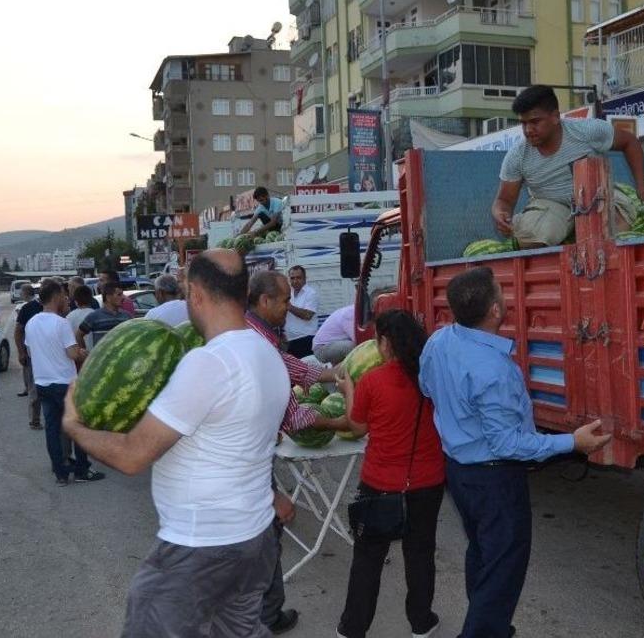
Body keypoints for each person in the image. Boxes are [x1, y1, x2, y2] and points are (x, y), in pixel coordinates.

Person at [62, 250, 290, 637]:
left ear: (195, 293)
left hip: (200, 548)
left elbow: (134, 456)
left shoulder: (208, 364)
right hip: (253, 539)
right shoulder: (266, 353)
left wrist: (73, 425)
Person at [418, 266, 612, 637]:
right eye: (501, 293)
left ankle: (489, 627)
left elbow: (426, 387)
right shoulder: (493, 370)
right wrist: (573, 442)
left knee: (484, 556)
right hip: (495, 480)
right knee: (502, 571)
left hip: (460, 473)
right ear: (494, 311)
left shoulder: (439, 342)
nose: (505, 299)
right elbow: (508, 443)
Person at [246, 270, 346, 635]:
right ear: (265, 301)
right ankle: (263, 618)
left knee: (263, 536)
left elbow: (292, 368)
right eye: (285, 300)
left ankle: (266, 613)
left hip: (253, 450)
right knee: (264, 535)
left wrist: (333, 375)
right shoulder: (256, 343)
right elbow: (294, 416)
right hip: (250, 457)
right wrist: (341, 422)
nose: (290, 306)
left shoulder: (258, 335)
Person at [335, 309, 444, 638]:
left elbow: (357, 427)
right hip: (428, 482)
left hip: (379, 485)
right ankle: (421, 623)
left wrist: (347, 389)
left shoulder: (372, 381)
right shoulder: (431, 377)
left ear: (385, 342)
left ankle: (352, 629)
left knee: (368, 558)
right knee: (421, 553)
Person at [490, 84, 644, 248]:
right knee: (533, 236)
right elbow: (504, 200)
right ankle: (564, 230)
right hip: (553, 205)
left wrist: (641, 185)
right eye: (523, 123)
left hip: (596, 195)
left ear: (556, 117)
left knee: (618, 229)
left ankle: (578, 234)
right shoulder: (517, 155)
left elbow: (629, 142)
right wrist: (500, 213)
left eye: (535, 122)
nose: (528, 130)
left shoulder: (587, 131)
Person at [23, 281, 104, 487]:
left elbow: (31, 352)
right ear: (56, 296)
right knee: (77, 427)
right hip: (66, 384)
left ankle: (60, 472)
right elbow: (72, 353)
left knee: (52, 429)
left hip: (42, 383)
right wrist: (82, 352)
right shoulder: (61, 323)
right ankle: (82, 470)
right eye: (63, 294)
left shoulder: (32, 322)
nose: (66, 298)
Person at [15, 282, 44, 428]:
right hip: (35, 353)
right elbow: (19, 330)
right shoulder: (31, 308)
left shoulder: (27, 308)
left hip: (33, 353)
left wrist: (21, 352)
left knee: (34, 386)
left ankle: (35, 419)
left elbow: (18, 330)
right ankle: (36, 419)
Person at [75, 282, 132, 350]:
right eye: (119, 294)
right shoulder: (94, 316)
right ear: (108, 297)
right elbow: (79, 335)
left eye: (122, 294)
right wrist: (84, 351)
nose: (123, 297)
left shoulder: (127, 316)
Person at [284, 265, 317, 359]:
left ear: (305, 278)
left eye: (298, 278)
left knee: (308, 369)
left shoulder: (311, 293)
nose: (295, 281)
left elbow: (308, 315)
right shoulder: (287, 292)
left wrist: (289, 307)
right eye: (292, 278)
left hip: (306, 339)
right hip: (289, 341)